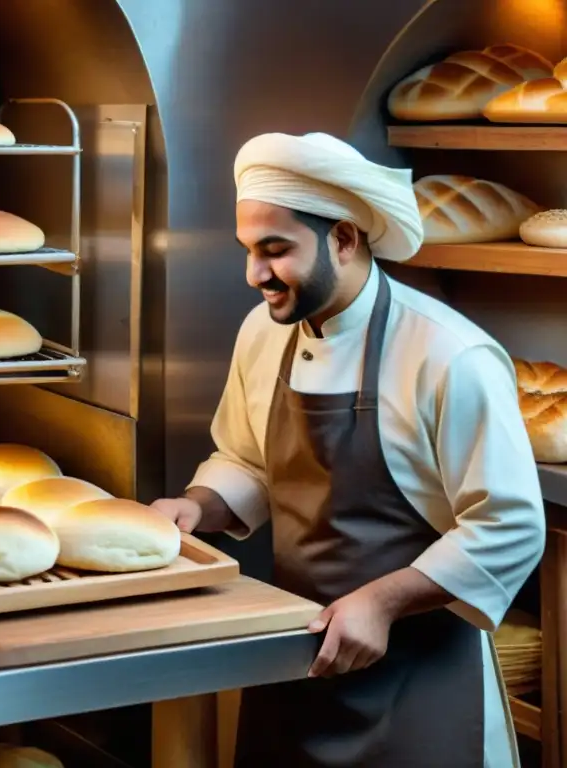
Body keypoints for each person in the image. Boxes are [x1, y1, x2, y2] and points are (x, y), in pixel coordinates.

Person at [151, 132, 545, 767]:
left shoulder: (449, 354)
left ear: (343, 239)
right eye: (249, 251)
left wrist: (382, 601)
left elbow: (510, 526)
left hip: (419, 681)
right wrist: (200, 507)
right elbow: (248, 459)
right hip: (295, 662)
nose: (255, 275)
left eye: (275, 251)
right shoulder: (263, 331)